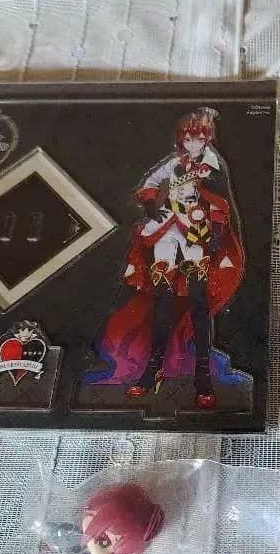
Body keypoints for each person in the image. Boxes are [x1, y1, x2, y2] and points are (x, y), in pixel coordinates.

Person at [83, 107, 245, 409]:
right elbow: (149, 184)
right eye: (188, 139)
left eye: (199, 138)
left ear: (207, 139)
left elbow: (220, 201)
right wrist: (151, 205)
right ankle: (152, 368)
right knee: (162, 303)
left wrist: (216, 232)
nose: (193, 144)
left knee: (198, 304)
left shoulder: (213, 164)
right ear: (181, 139)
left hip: (196, 233)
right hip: (166, 231)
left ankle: (202, 377)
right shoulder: (173, 163)